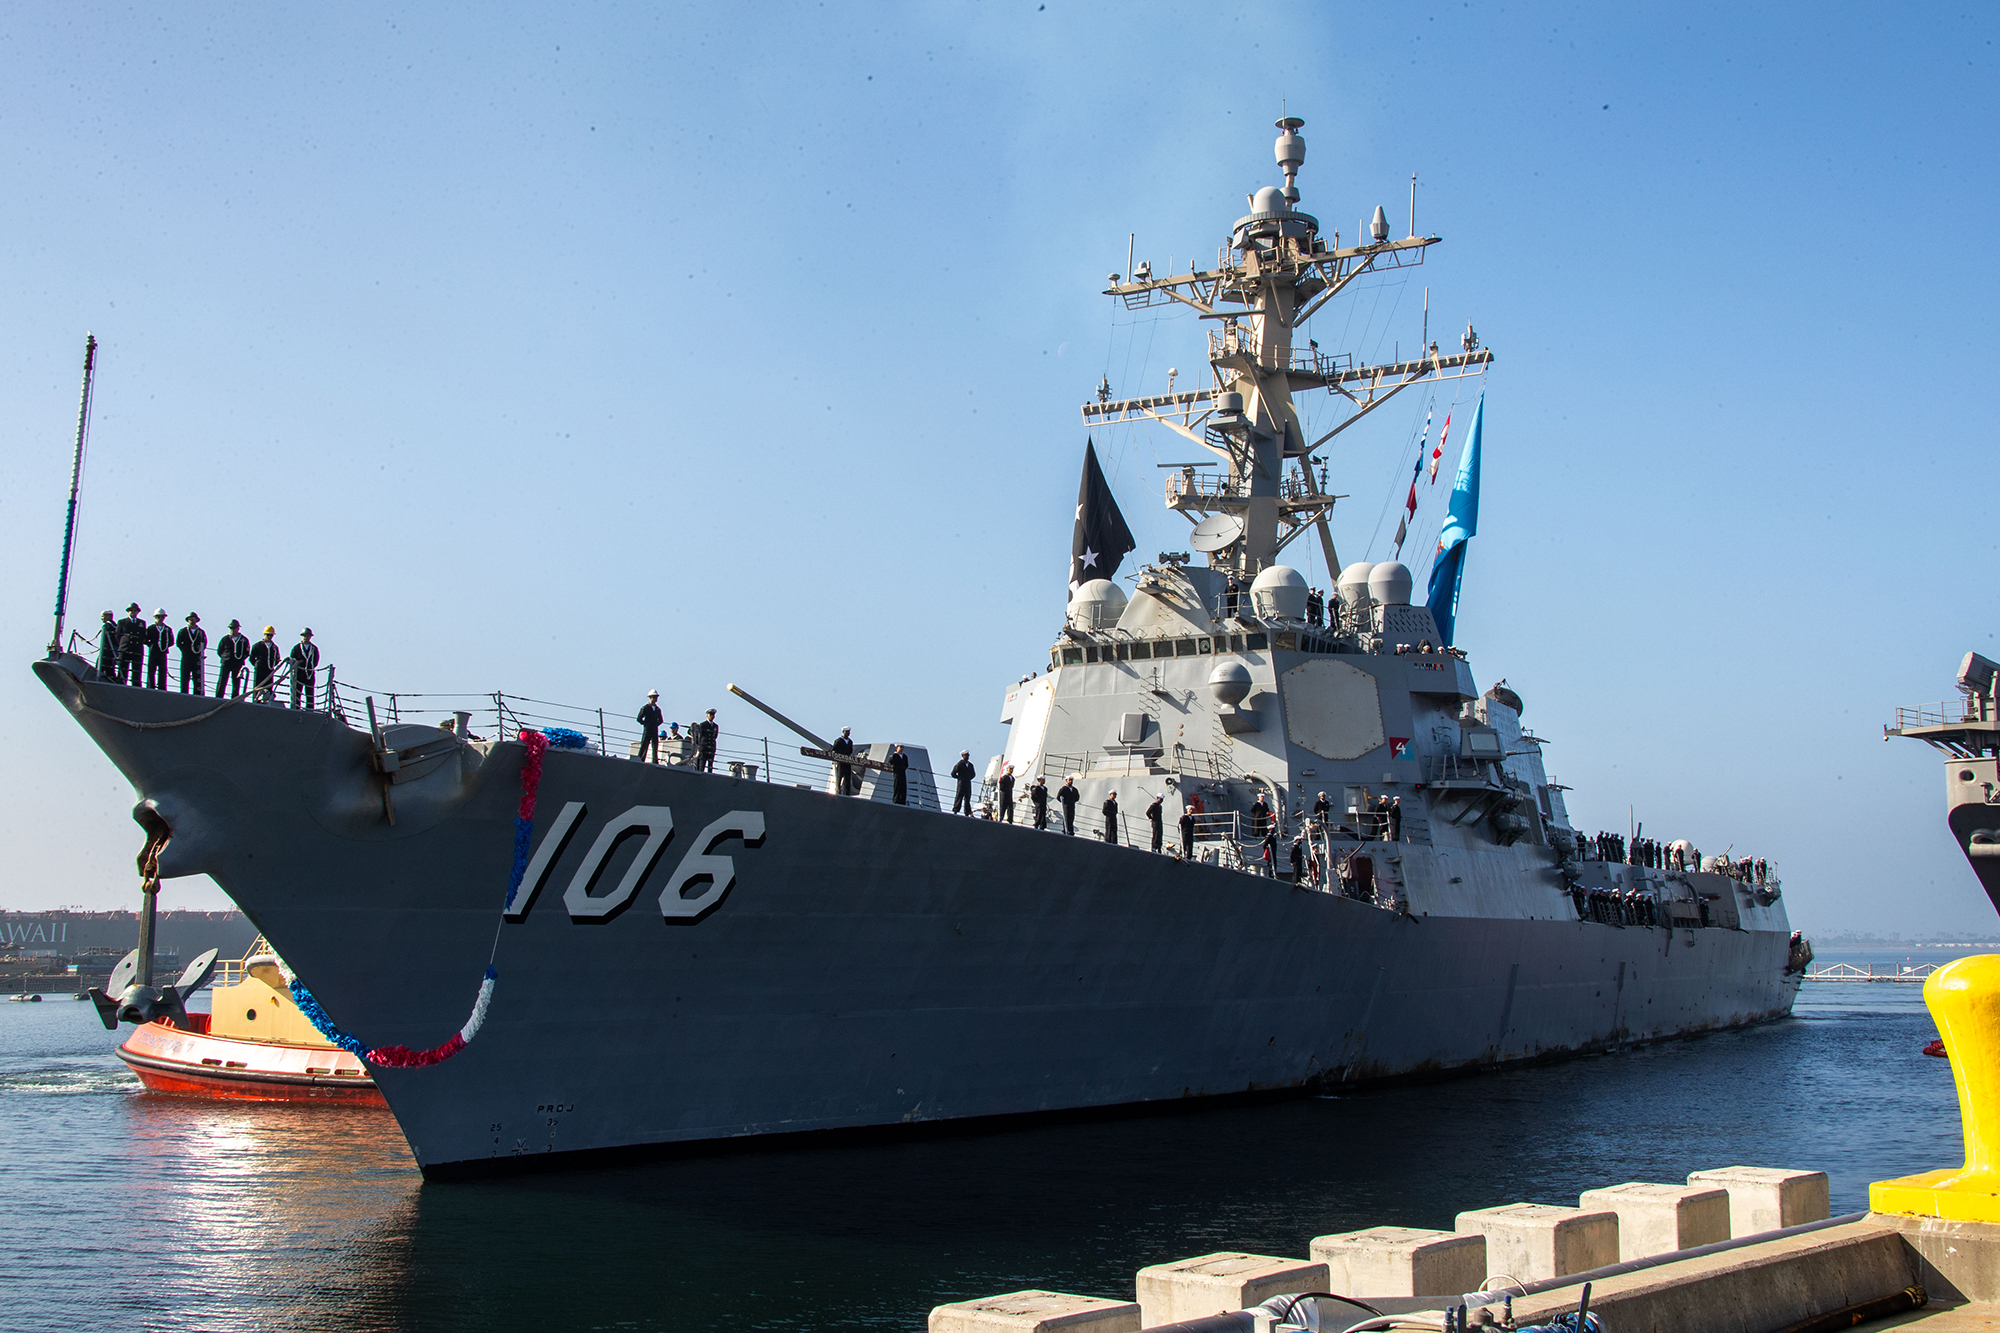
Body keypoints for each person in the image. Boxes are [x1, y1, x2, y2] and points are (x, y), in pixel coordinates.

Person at [175, 612, 208, 696]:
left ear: (196, 620)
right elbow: (178, 642)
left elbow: (204, 643)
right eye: (190, 619)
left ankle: (197, 694)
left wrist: (199, 651)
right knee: (185, 676)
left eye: (193, 618)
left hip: (196, 658)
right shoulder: (183, 631)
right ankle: (184, 693)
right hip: (186, 657)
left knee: (197, 677)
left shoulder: (200, 632)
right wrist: (185, 651)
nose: (192, 620)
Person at [114, 604, 147, 685]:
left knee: (137, 670)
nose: (133, 612)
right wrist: (123, 644)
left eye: (135, 611)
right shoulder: (122, 622)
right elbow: (117, 635)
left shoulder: (141, 623)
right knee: (123, 669)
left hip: (137, 649)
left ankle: (136, 685)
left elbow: (143, 636)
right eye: (131, 611)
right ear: (128, 612)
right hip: (125, 648)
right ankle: (121, 683)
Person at [216, 620, 250, 698]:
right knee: (222, 680)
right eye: (231, 628)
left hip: (237, 663)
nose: (232, 630)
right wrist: (225, 657)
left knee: (236, 682)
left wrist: (240, 659)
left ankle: (234, 698)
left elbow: (247, 652)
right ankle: (219, 697)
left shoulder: (243, 640)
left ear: (238, 628)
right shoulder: (225, 639)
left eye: (234, 628)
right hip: (226, 662)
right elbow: (220, 650)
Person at [288, 628, 320, 710]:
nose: (306, 637)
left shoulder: (314, 648)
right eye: (305, 636)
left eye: (308, 636)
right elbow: (292, 659)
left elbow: (316, 660)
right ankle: (296, 707)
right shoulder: (296, 648)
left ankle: (310, 709)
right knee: (297, 692)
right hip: (299, 673)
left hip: (309, 673)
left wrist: (310, 668)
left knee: (310, 693)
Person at [249, 626, 282, 702]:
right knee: (258, 687)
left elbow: (277, 659)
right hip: (259, 671)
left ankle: (267, 700)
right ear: (264, 635)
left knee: (269, 687)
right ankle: (256, 700)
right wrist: (257, 665)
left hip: (269, 671)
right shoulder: (257, 646)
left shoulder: (274, 647)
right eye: (268, 635)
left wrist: (272, 665)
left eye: (271, 635)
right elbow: (251, 658)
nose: (269, 637)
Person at [145, 609, 173, 689]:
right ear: (155, 617)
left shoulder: (167, 629)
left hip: (162, 653)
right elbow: (145, 639)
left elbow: (171, 641)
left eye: (162, 617)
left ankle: (162, 687)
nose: (160, 618)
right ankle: (150, 686)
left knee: (162, 670)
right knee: (151, 670)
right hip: (153, 652)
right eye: (158, 617)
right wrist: (152, 645)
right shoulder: (151, 628)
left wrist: (165, 646)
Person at [635, 690, 664, 763]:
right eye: (653, 697)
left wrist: (655, 725)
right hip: (647, 730)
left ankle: (655, 761)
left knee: (655, 746)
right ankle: (640, 759)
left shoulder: (658, 709)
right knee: (644, 744)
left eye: (656, 697)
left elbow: (661, 720)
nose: (655, 699)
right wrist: (645, 724)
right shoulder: (645, 708)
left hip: (654, 730)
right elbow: (639, 718)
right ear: (650, 698)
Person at [831, 727, 857, 795]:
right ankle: (838, 791)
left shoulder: (850, 742)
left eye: (848, 732)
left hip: (847, 762)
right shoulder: (839, 741)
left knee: (847, 778)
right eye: (846, 732)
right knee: (839, 776)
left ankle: (847, 793)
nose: (848, 733)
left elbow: (850, 751)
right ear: (843, 732)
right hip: (841, 761)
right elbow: (834, 749)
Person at [93, 610, 118, 679]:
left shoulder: (108, 626)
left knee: (102, 665)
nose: (101, 618)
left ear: (108, 616)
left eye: (103, 616)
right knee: (109, 667)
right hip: (111, 649)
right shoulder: (115, 626)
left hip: (107, 650)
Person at [693, 709, 719, 774]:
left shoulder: (715, 726)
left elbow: (715, 736)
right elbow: (700, 736)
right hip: (704, 747)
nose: (712, 716)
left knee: (710, 765)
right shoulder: (703, 725)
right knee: (702, 764)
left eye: (713, 715)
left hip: (711, 747)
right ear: (707, 715)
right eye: (710, 715)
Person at [950, 751, 976, 816]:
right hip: (961, 783)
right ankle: (956, 810)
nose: (967, 756)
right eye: (966, 755)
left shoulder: (970, 765)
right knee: (959, 796)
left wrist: (968, 778)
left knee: (967, 797)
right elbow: (953, 773)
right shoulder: (959, 764)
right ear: (963, 756)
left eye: (968, 755)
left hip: (968, 783)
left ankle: (967, 812)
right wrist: (960, 778)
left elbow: (973, 774)